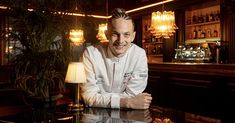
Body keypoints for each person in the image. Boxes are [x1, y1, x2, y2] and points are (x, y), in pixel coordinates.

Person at [80, 8, 152, 109]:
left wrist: (100, 99)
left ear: (133, 36)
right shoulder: (91, 54)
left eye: (126, 34)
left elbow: (132, 94)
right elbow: (89, 97)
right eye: (115, 34)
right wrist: (126, 102)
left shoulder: (139, 55)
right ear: (106, 35)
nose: (120, 40)